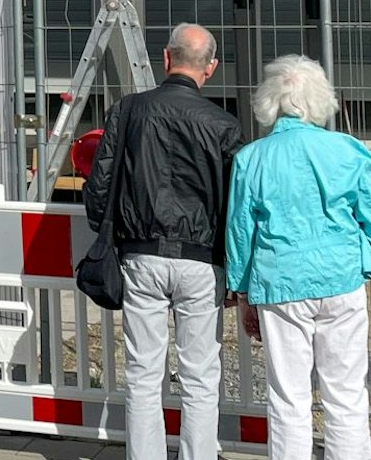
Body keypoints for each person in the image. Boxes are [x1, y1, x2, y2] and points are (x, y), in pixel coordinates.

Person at [225, 54, 371, 460]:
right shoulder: (349, 151)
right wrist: (363, 263)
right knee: (347, 394)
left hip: (280, 284)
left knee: (288, 400)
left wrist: (243, 291)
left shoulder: (251, 159)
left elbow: (240, 234)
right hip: (341, 280)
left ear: (271, 101)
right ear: (320, 98)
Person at [84, 23, 241, 460]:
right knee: (200, 376)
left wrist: (110, 236)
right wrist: (235, 266)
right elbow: (237, 206)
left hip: (140, 255)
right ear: (210, 68)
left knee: (143, 373)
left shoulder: (128, 111)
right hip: (202, 261)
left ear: (166, 59)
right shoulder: (224, 126)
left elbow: (99, 187)